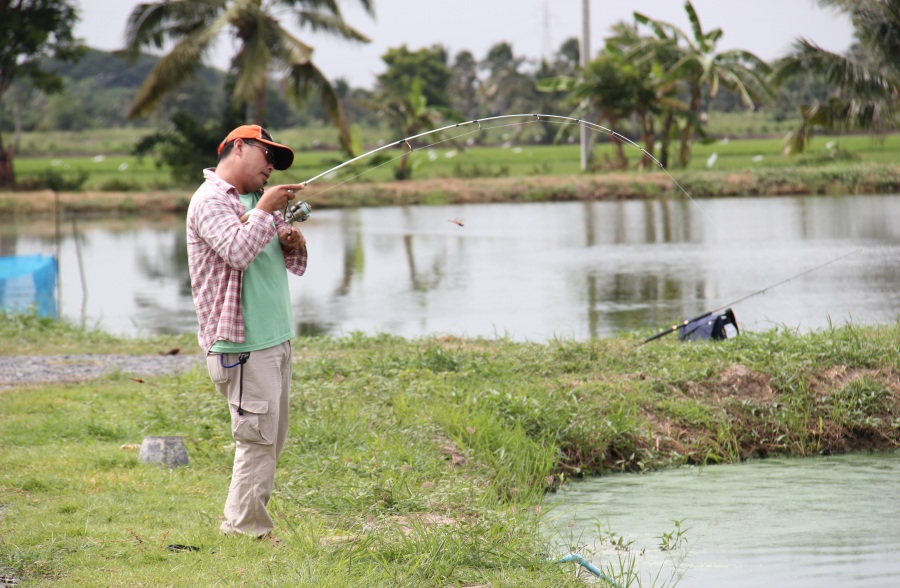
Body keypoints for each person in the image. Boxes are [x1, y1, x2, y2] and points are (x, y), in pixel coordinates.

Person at [186, 124, 307, 540]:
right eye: (266, 156)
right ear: (239, 147)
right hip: (241, 345)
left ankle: (241, 526)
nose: (271, 167)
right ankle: (246, 532)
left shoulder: (257, 201)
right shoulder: (209, 202)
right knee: (256, 440)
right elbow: (238, 253)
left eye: (276, 162)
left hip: (274, 339)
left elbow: (284, 261)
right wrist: (265, 210)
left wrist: (290, 239)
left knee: (270, 440)